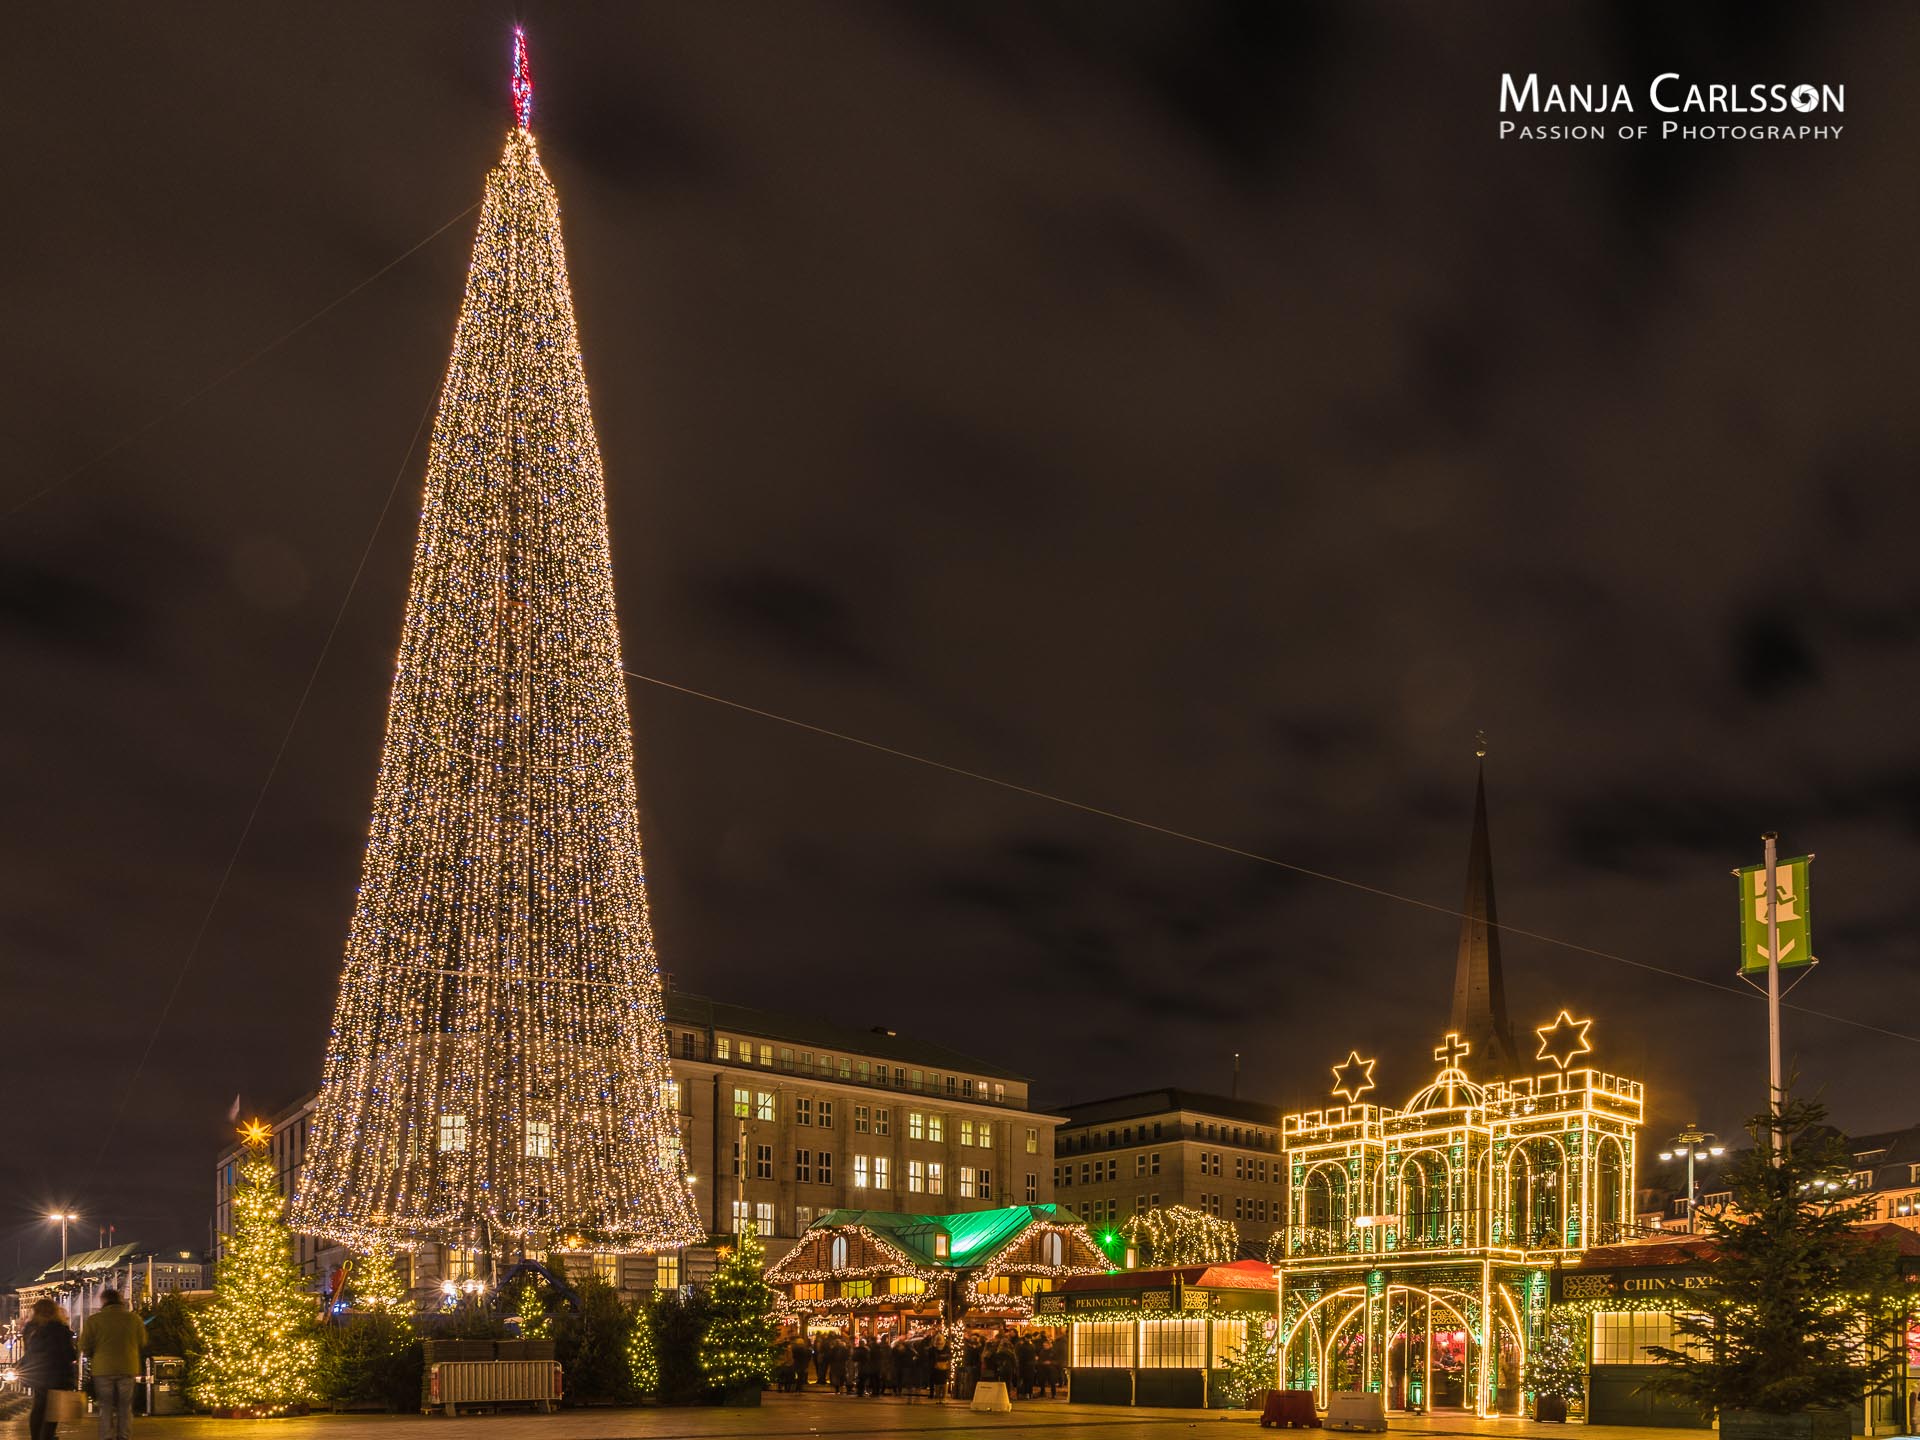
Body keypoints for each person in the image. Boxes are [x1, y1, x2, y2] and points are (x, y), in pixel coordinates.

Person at [80, 1290, 145, 1440]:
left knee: (106, 1406)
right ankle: (124, 1436)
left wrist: (93, 1353)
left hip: (103, 1369)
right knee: (125, 1407)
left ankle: (107, 1436)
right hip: (127, 1367)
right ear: (120, 1301)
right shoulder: (134, 1319)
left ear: (103, 1301)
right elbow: (143, 1341)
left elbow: (84, 1345)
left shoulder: (94, 1320)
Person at [22, 1298, 77, 1440]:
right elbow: (70, 1354)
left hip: (37, 1374)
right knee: (53, 1409)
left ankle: (35, 1437)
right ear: (55, 1311)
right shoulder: (60, 1328)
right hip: (57, 1373)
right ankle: (47, 1436)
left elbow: (28, 1351)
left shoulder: (30, 1329)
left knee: (38, 1406)